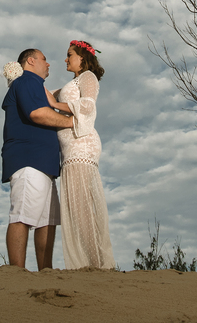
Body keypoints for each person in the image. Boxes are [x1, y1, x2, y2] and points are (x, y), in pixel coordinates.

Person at [43, 39, 116, 269]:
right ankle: (89, 262)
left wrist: (55, 102)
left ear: (83, 58)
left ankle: (94, 263)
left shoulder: (87, 78)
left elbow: (87, 106)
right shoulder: (72, 83)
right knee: (77, 207)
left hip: (81, 145)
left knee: (83, 206)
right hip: (70, 148)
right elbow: (44, 95)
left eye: (69, 54)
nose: (66, 59)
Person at [1, 48, 74, 270]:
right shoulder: (27, 81)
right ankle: (17, 272)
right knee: (23, 215)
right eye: (44, 59)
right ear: (30, 61)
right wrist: (73, 122)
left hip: (43, 163)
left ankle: (46, 271)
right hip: (28, 160)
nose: (49, 64)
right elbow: (37, 113)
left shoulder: (35, 86)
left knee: (47, 221)